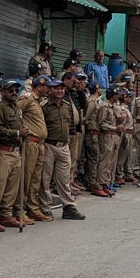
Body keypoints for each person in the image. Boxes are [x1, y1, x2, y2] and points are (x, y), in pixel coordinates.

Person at [42, 78, 85, 220]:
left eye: (61, 88)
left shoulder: (66, 105)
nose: (59, 91)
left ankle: (68, 207)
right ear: (49, 90)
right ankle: (45, 207)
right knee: (45, 178)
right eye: (56, 88)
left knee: (64, 178)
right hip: (49, 145)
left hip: (64, 146)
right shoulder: (44, 106)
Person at [0, 79, 26, 229]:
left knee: (12, 187)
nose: (14, 93)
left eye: (16, 90)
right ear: (3, 91)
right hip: (3, 151)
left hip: (16, 151)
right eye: (10, 90)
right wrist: (18, 132)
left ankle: (6, 214)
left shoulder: (17, 107)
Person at [19, 75, 53, 223]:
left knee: (35, 179)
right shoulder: (27, 99)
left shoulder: (39, 102)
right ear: (39, 86)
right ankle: (19, 210)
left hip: (39, 144)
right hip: (30, 143)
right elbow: (14, 113)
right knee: (26, 177)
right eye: (47, 87)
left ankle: (33, 208)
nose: (49, 90)